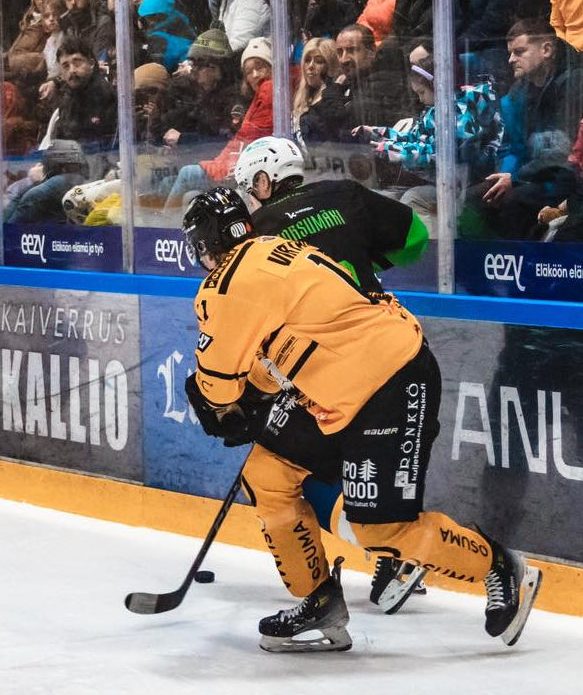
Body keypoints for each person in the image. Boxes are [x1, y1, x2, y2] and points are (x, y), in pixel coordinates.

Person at [181, 187, 541, 653]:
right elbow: (284, 346)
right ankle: (319, 601)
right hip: (346, 387)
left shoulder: (225, 287)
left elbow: (218, 387)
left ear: (204, 243)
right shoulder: (272, 250)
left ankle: (500, 567)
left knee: (382, 530)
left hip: (390, 382)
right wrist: (246, 396)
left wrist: (220, 405)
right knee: (267, 471)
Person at [231, 136, 432, 617]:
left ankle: (392, 552)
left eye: (251, 187)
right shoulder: (343, 193)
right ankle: (394, 551)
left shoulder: (258, 237)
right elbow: (416, 239)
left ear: (264, 181)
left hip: (323, 371)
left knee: (277, 470)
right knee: (367, 465)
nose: (250, 198)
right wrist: (360, 263)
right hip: (386, 347)